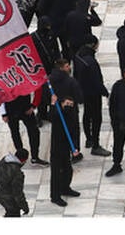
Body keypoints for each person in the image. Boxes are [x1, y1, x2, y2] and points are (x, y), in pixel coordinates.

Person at [47, 58, 83, 206]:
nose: (69, 68)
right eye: (67, 66)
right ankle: (55, 195)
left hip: (65, 135)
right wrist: (55, 104)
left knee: (66, 167)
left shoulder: (53, 83)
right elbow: (51, 117)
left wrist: (75, 147)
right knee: (57, 168)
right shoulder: (69, 82)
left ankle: (65, 188)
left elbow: (74, 129)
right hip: (59, 137)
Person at [72, 35, 111, 157]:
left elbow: (76, 75)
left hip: (83, 91)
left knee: (87, 114)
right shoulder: (91, 62)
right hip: (93, 93)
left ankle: (89, 139)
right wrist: (105, 92)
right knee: (96, 118)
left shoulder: (78, 56)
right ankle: (96, 144)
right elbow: (96, 81)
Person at [0, 90, 46, 166]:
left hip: (25, 107)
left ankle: (35, 157)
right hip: (11, 108)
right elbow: (0, 93)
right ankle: (20, 156)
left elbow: (37, 88)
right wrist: (3, 113)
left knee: (34, 131)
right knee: (15, 132)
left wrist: (34, 105)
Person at [0, 148, 30, 217]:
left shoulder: (3, 161)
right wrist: (25, 207)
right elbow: (18, 194)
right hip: (10, 200)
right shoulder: (17, 173)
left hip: (0, 195)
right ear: (23, 160)